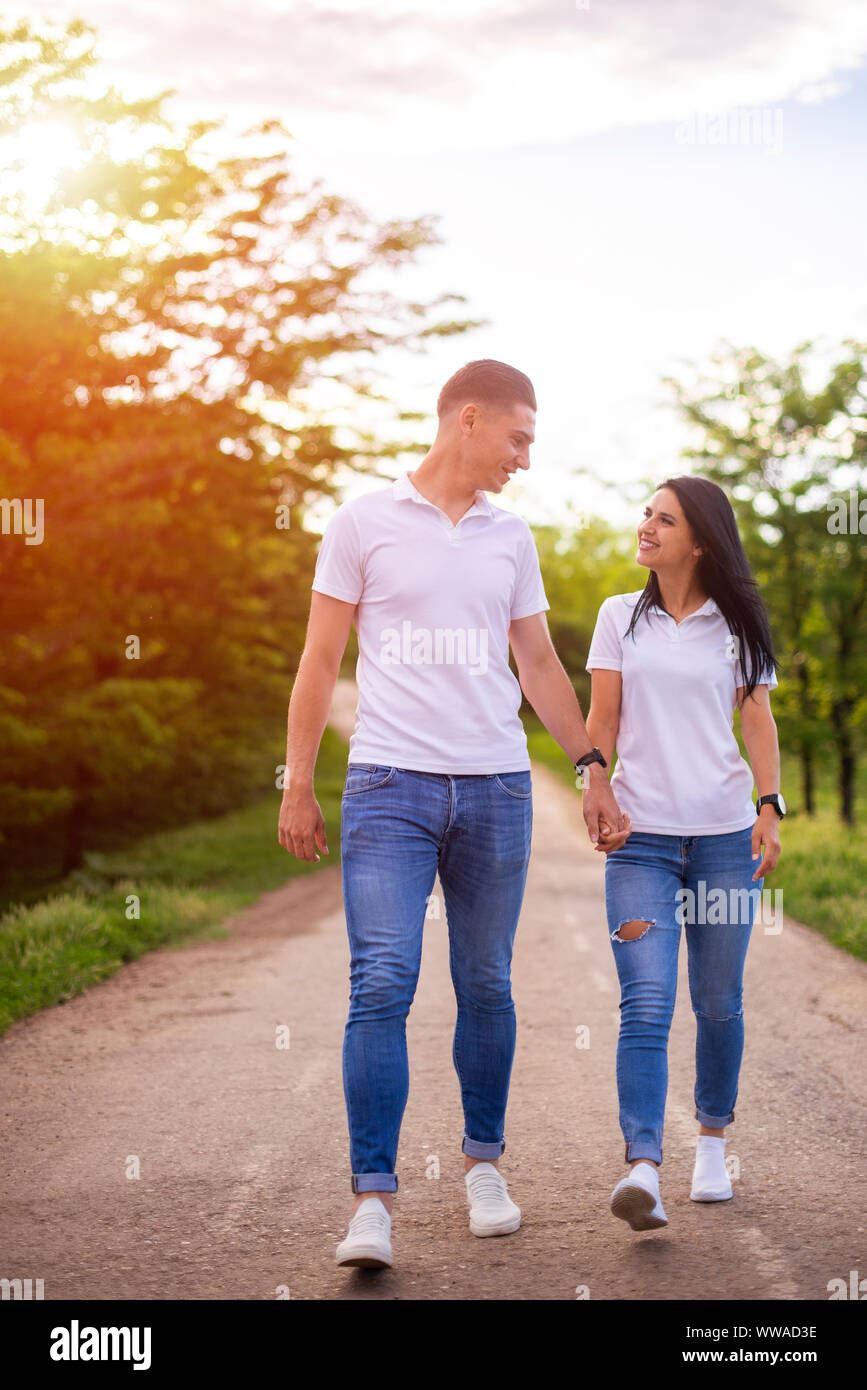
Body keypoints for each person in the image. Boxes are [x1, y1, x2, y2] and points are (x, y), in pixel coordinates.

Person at [278, 359, 627, 1268]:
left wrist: (590, 766)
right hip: (389, 785)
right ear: (467, 420)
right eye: (518, 439)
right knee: (381, 981)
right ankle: (372, 1203)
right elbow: (320, 662)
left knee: (486, 984)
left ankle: (482, 1166)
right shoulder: (361, 523)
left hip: (495, 789)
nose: (524, 458)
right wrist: (298, 781)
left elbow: (539, 667)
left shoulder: (511, 536)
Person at [584, 475, 783, 1231]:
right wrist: (592, 779)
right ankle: (641, 1167)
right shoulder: (616, 618)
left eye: (661, 519)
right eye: (644, 514)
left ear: (698, 539)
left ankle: (709, 1143)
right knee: (644, 1001)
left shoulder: (738, 622)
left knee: (717, 1000)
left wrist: (768, 806)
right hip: (640, 844)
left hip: (725, 842)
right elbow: (602, 715)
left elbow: (755, 719)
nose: (645, 527)